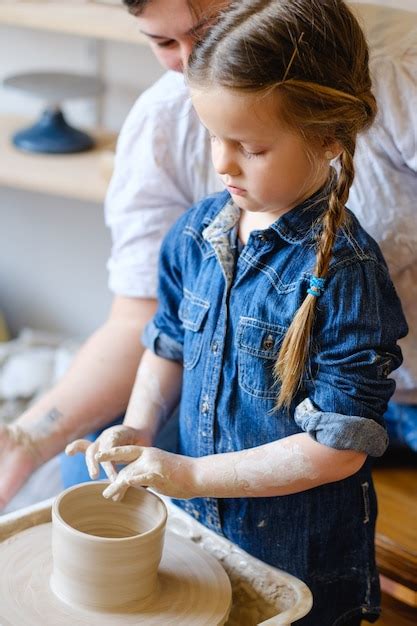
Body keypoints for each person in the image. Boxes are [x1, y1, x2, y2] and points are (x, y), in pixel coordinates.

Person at [66, 1, 408, 624]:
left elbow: (338, 449)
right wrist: (140, 427)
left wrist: (191, 474)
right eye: (212, 137)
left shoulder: (347, 274)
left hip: (298, 561)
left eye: (248, 147)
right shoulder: (198, 232)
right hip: (208, 536)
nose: (222, 163)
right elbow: (167, 342)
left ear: (327, 136)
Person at [0, 0, 416, 511]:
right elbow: (156, 327)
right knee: (87, 476)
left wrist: (196, 473)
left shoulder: (400, 75)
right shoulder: (197, 219)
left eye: (209, 30)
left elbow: (337, 443)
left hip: (379, 408)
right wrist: (33, 438)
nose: (198, 59)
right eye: (163, 42)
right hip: (261, 405)